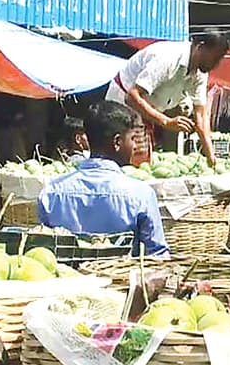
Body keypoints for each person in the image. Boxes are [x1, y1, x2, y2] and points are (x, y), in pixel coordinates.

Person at [38, 101, 168, 257]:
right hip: (120, 279)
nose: (135, 146)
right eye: (133, 139)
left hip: (69, 279)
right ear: (117, 142)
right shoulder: (141, 195)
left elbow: (43, 252)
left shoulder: (51, 192)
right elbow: (158, 255)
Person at [106, 29, 230, 167]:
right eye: (215, 58)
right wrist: (166, 122)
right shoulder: (168, 58)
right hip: (122, 101)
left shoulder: (200, 73)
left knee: (141, 162)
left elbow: (200, 115)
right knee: (120, 156)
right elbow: (132, 96)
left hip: (146, 109)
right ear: (200, 47)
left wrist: (210, 157)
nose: (217, 64)